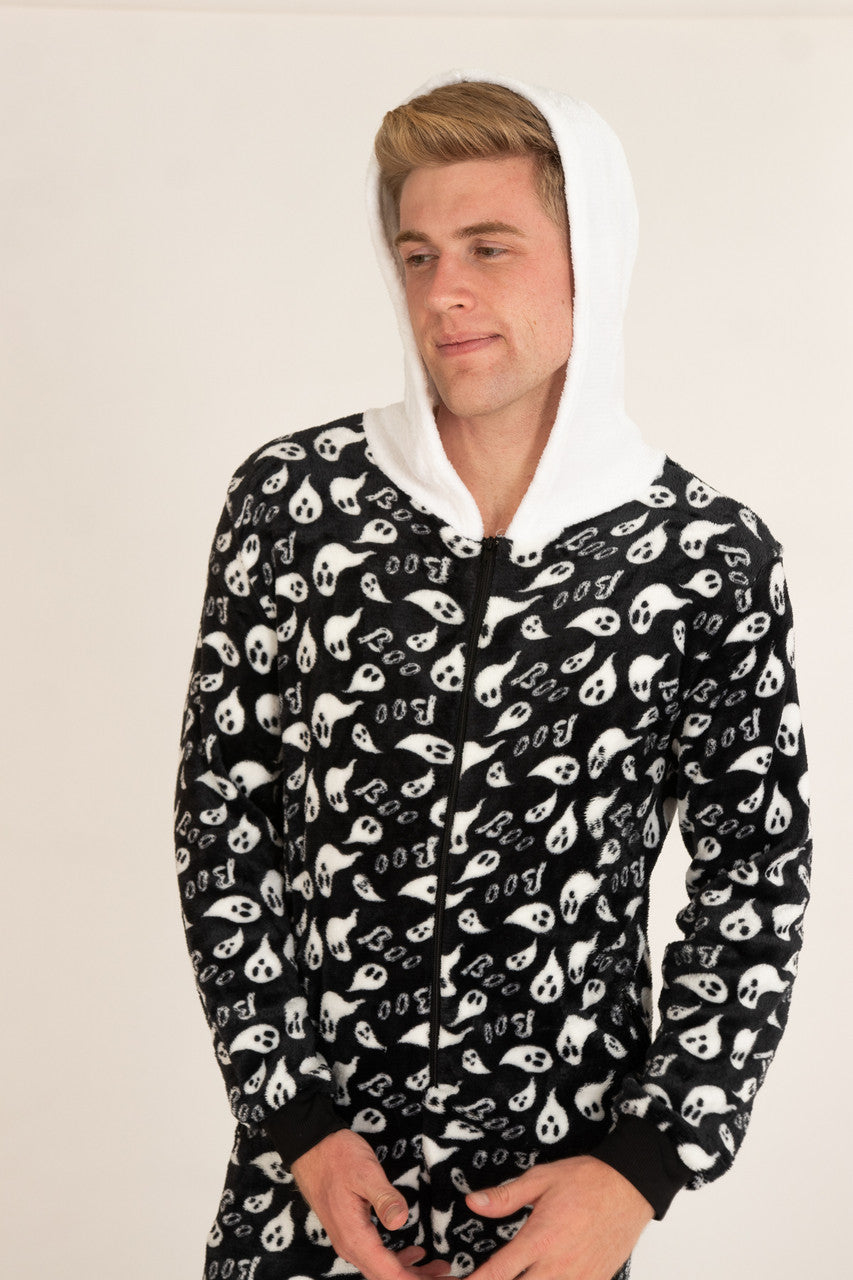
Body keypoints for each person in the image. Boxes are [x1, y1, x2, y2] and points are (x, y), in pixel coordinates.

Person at [174, 70, 812, 1280]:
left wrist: (641, 1170)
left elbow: (755, 876)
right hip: (310, 1200)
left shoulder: (704, 556)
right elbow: (226, 822)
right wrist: (297, 1126)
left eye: (488, 246)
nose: (443, 291)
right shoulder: (295, 506)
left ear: (590, 263)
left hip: (552, 1217)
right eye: (417, 255)